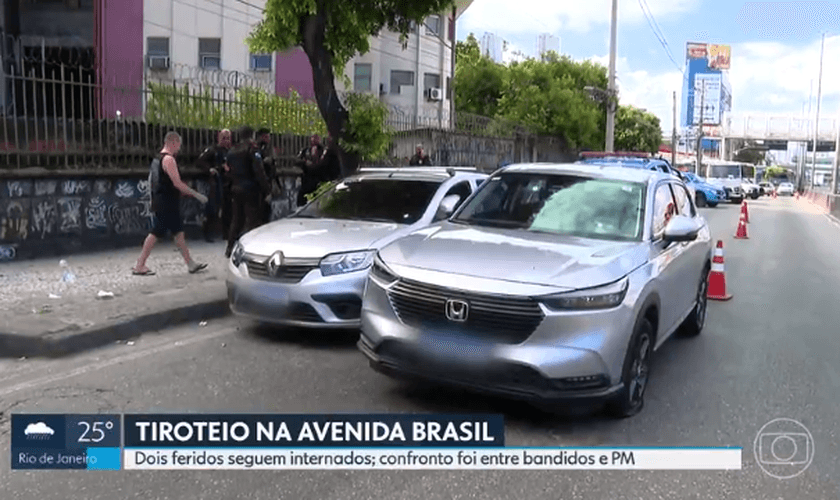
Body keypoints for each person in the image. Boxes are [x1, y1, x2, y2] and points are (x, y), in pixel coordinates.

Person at [133, 131, 209, 276]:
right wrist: (197, 195)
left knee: (178, 232)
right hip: (167, 202)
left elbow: (152, 182)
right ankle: (139, 265)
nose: (179, 149)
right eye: (179, 145)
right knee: (156, 232)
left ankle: (190, 263)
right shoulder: (169, 160)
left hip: (163, 200)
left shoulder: (157, 159)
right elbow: (178, 183)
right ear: (173, 142)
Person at [225, 126, 272, 258]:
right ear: (251, 135)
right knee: (253, 221)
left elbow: (229, 170)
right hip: (251, 189)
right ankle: (253, 250)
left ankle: (229, 248)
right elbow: (259, 171)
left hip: (236, 188)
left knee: (236, 220)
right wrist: (267, 189)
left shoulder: (232, 150)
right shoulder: (252, 149)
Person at [195, 129, 231, 242]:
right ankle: (208, 234)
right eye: (223, 138)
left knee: (227, 210)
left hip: (227, 183)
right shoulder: (212, 150)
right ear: (218, 138)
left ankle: (226, 234)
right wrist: (210, 169)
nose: (226, 140)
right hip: (215, 183)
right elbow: (200, 162)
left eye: (228, 138)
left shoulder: (229, 151)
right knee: (212, 209)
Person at [256, 127, 279, 223]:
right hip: (260, 182)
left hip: (269, 179)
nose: (268, 139)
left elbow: (273, 165)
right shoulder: (257, 148)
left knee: (267, 208)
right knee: (261, 208)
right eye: (266, 136)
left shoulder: (269, 148)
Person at [296, 134, 325, 206]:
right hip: (306, 180)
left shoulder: (323, 151)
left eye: (317, 137)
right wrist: (305, 162)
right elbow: (297, 161)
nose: (315, 139)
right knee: (302, 201)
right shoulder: (305, 150)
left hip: (318, 181)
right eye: (313, 137)